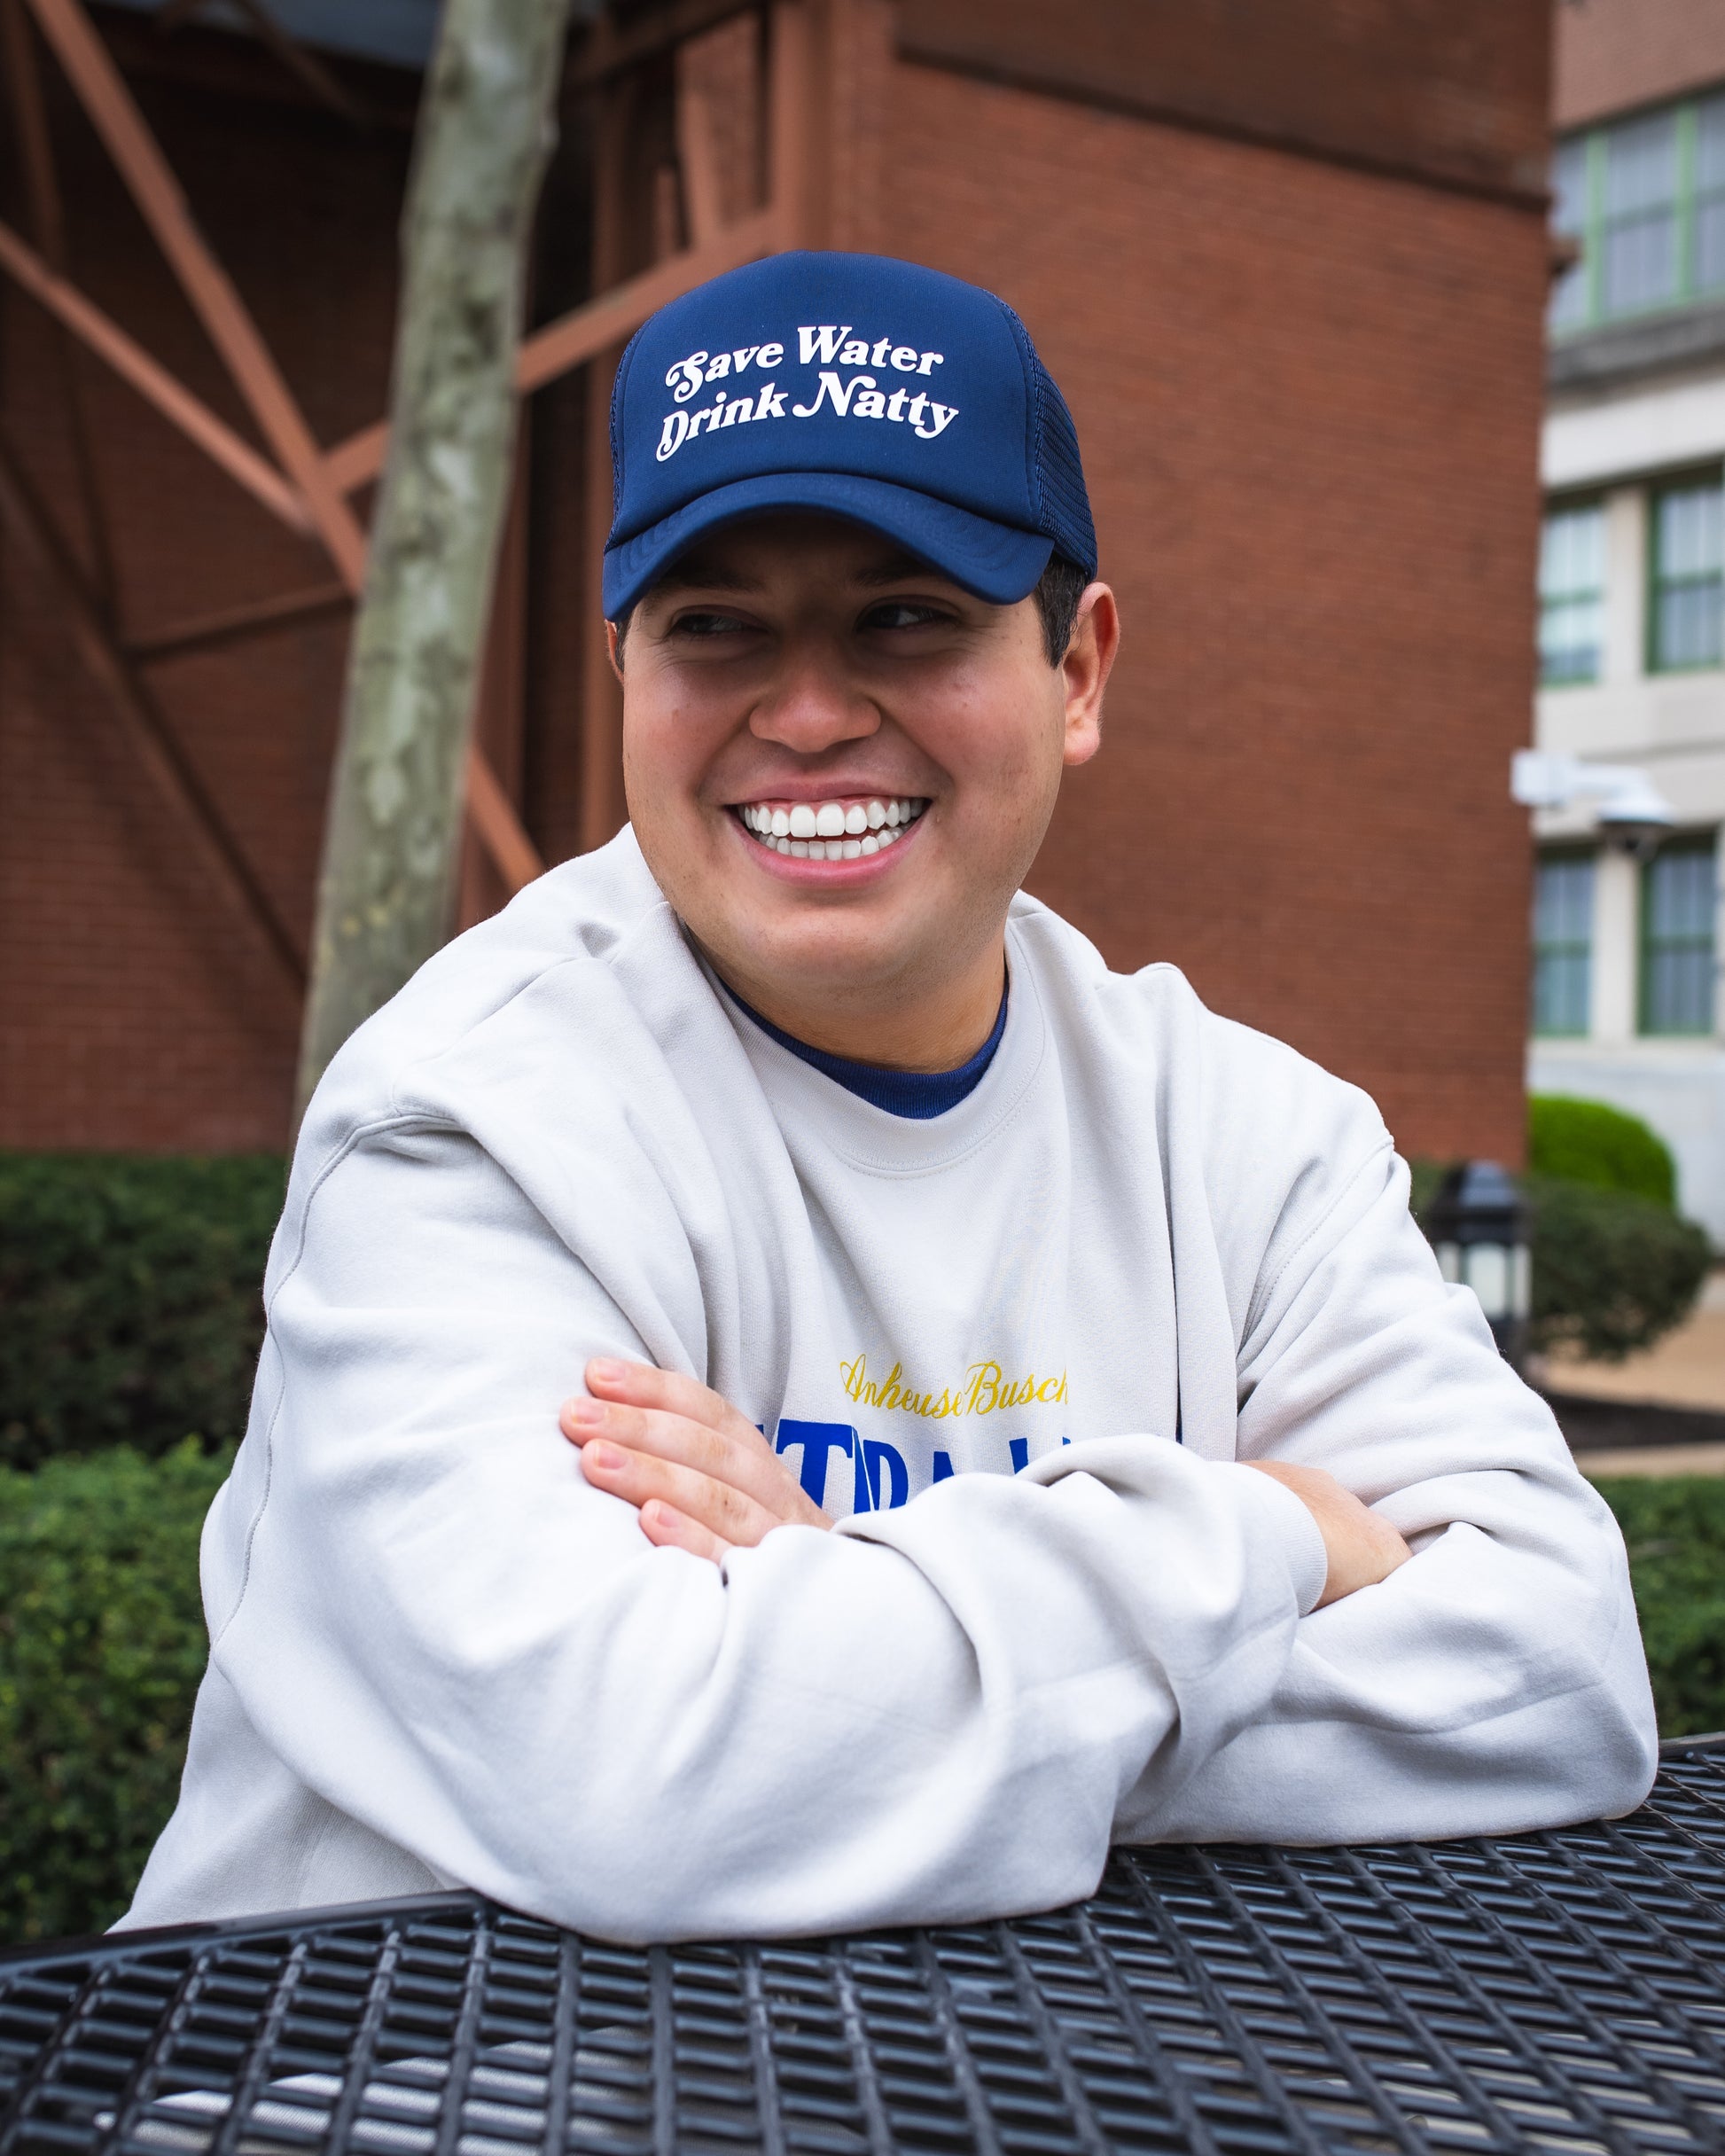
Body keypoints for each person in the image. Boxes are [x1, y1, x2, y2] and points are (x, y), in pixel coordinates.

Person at [124, 252, 1656, 1941]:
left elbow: (1558, 1672)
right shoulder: (464, 1126)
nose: (805, 711)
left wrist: (844, 1643)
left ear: (1077, 670)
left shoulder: (1249, 1136)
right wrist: (1270, 1529)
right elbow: (651, 1792)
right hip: (388, 2082)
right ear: (627, 671)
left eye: (904, 616)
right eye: (717, 627)